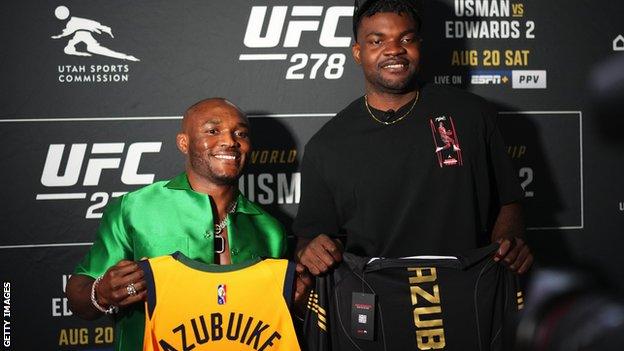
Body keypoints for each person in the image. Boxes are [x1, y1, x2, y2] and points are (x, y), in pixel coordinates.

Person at [294, 0, 532, 283]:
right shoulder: (327, 145)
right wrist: (310, 252)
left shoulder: (471, 114)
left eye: (405, 38)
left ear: (419, 44)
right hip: (380, 305)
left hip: (470, 296)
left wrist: (508, 244)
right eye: (377, 40)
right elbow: (308, 243)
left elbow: (509, 199)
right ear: (358, 53)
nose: (394, 49)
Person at [66, 98, 288, 350]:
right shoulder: (135, 208)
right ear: (184, 143)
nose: (230, 141)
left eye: (240, 133)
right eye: (213, 131)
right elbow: (78, 292)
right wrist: (101, 293)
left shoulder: (270, 230)